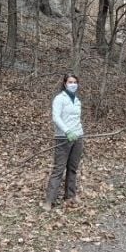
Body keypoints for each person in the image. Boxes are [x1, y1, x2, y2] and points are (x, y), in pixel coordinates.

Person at [43, 73, 84, 211]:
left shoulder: (77, 100)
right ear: (65, 83)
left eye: (75, 82)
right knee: (59, 169)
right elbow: (56, 117)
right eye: (70, 82)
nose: (73, 84)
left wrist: (78, 133)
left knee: (73, 168)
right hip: (63, 138)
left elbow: (77, 119)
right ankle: (49, 201)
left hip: (77, 137)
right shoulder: (60, 99)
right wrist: (67, 131)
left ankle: (70, 195)